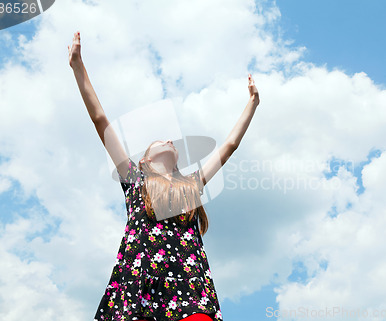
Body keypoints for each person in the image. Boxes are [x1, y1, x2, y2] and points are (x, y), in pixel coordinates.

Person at [68, 31, 260, 321]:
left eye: (171, 142)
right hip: (141, 288)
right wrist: (78, 68)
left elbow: (229, 146)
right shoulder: (134, 179)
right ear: (144, 159)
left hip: (190, 291)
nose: (169, 141)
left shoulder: (189, 186)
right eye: (160, 141)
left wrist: (252, 105)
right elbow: (101, 120)